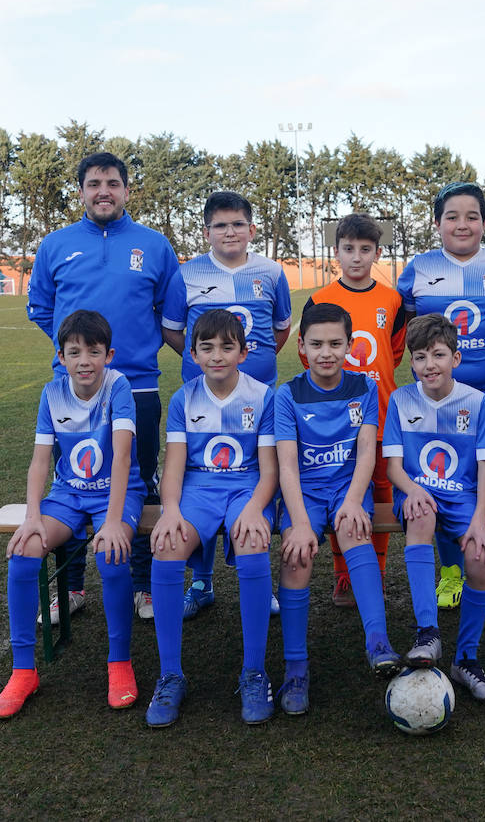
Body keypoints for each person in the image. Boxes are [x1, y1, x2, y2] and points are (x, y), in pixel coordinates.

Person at [27, 152, 177, 622]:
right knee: (70, 482)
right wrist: (80, 354)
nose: (103, 191)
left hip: (139, 385)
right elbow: (41, 308)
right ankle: (70, 588)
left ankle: (142, 583)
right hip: (72, 392)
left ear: (127, 190)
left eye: (112, 183)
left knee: (141, 480)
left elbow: (169, 311)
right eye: (94, 184)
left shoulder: (154, 245)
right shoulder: (55, 244)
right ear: (81, 192)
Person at [0, 311, 147, 719]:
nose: (84, 361)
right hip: (69, 493)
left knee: (111, 556)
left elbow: (123, 457)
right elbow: (40, 461)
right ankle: (23, 671)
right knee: (24, 553)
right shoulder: (51, 393)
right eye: (74, 352)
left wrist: (113, 522)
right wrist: (32, 517)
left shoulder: (119, 387)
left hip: (117, 492)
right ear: (60, 357)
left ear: (108, 355)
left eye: (94, 352)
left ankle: (119, 664)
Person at [397, 182, 485, 611]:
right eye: (452, 216)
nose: (462, 224)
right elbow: (411, 329)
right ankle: (452, 571)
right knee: (442, 475)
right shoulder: (417, 268)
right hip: (434, 398)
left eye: (472, 216)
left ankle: (484, 569)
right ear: (437, 224)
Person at [144, 310, 278, 727]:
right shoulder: (185, 398)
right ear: (194, 354)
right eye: (207, 348)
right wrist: (170, 510)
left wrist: (255, 508)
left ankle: (254, 671)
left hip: (248, 488)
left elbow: (270, 469)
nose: (216, 355)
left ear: (243, 350)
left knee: (254, 545)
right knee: (165, 547)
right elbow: (175, 466)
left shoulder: (263, 396)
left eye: (226, 347)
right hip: (199, 489)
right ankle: (170, 675)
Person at [161, 191, 292, 619]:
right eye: (220, 225)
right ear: (206, 232)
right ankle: (201, 582)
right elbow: (175, 331)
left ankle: (258, 577)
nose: (229, 231)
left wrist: (250, 372)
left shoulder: (271, 272)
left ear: (252, 229)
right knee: (203, 475)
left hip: (255, 399)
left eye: (237, 223)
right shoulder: (187, 273)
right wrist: (207, 364)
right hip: (201, 396)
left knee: (250, 479)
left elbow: (280, 330)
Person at [275, 303, 402, 715]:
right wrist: (298, 523)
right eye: (317, 344)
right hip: (304, 494)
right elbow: (288, 466)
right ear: (302, 347)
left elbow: (367, 452)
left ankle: (378, 641)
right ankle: (296, 667)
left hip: (347, 488)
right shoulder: (287, 394)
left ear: (350, 345)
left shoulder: (363, 388)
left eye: (335, 343)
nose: (326, 352)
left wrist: (352, 501)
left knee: (354, 530)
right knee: (297, 556)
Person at [383, 314, 485, 702]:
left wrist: (482, 519)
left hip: (465, 495)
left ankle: (466, 659)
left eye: (438, 355)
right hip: (416, 491)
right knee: (420, 515)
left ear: (456, 358)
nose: (429, 365)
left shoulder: (476, 401)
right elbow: (393, 466)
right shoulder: (401, 399)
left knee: (481, 559)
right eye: (420, 357)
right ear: (411, 362)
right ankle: (427, 633)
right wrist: (412, 489)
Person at [299, 213, 408, 607]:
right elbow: (308, 352)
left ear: (377, 253)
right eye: (349, 249)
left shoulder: (391, 299)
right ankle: (344, 574)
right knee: (336, 491)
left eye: (366, 250)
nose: (357, 258)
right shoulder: (320, 299)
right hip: (333, 422)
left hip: (380, 413)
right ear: (336, 253)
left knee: (380, 492)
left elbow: (394, 352)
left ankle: (374, 572)